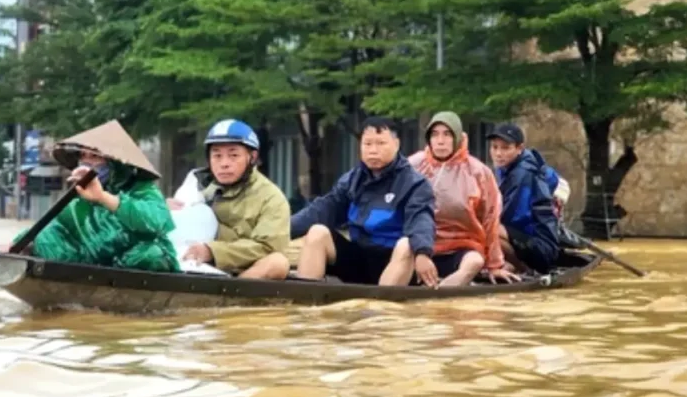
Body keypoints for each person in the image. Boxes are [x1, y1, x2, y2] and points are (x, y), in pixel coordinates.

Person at [288, 116, 439, 287]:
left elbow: (421, 221)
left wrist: (423, 253)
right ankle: (306, 300)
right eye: (367, 144)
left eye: (381, 143)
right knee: (317, 232)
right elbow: (321, 210)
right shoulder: (351, 180)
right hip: (359, 257)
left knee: (407, 245)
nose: (373, 150)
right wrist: (280, 232)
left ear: (396, 145)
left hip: (395, 261)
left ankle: (382, 306)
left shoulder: (415, 184)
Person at [12, 119, 179, 272]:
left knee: (149, 254)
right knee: (45, 239)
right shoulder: (80, 195)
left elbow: (157, 221)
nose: (87, 162)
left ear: (115, 163)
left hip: (135, 263)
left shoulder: (142, 189)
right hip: (98, 263)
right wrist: (20, 243)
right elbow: (55, 224)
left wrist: (104, 198)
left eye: (95, 157)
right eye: (83, 156)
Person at [165, 119, 291, 279]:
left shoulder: (271, 198)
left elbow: (267, 247)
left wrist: (213, 251)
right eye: (217, 155)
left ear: (252, 157)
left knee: (277, 262)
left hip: (245, 274)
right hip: (195, 266)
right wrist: (164, 210)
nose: (224, 164)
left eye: (233, 155)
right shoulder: (199, 190)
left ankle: (230, 297)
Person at [408, 112, 519, 286]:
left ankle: (439, 294)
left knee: (474, 262)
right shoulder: (413, 166)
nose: (440, 140)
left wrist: (494, 264)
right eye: (435, 134)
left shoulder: (478, 172)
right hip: (422, 244)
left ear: (457, 137)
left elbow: (490, 219)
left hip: (463, 244)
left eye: (447, 134)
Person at [486, 122, 561, 274]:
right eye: (494, 147)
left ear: (519, 148)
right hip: (528, 239)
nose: (498, 153)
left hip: (541, 248)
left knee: (489, 230)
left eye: (505, 148)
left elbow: (510, 218)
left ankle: (522, 269)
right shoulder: (509, 166)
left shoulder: (522, 174)